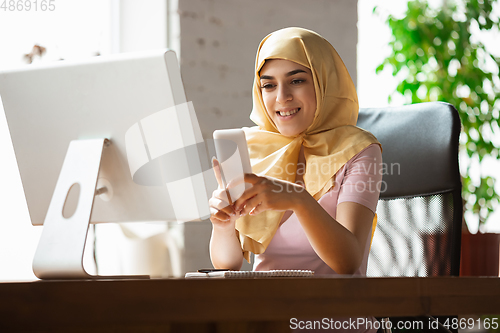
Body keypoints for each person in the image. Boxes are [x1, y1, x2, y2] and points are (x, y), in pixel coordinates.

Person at [209, 27, 382, 332]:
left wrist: (298, 200)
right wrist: (223, 227)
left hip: (336, 320)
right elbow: (229, 265)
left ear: (324, 82)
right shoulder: (252, 149)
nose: (282, 97)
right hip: (266, 318)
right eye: (268, 85)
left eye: (297, 80)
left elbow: (347, 262)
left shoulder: (359, 149)